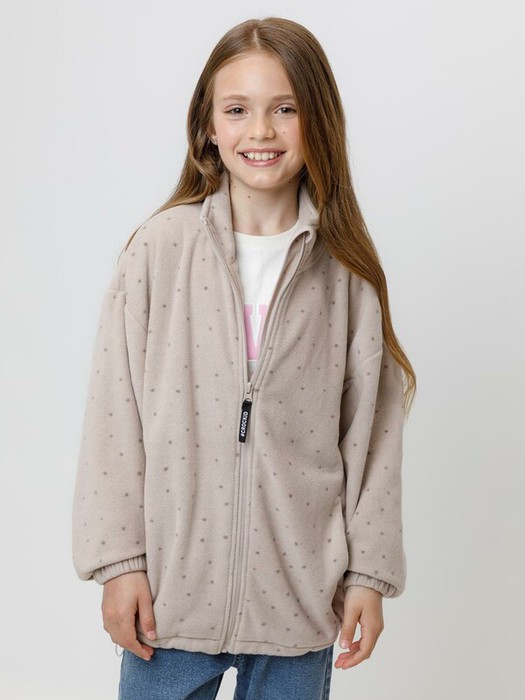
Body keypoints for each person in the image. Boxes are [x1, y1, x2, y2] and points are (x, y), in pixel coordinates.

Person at [71, 15, 416, 700]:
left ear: (318, 122)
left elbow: (373, 436)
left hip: (298, 602)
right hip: (169, 602)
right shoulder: (159, 250)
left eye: (285, 109)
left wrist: (368, 576)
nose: (260, 131)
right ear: (207, 125)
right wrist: (119, 562)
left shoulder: (345, 272)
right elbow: (114, 415)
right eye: (237, 110)